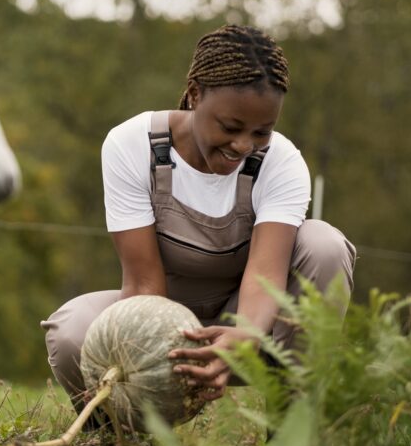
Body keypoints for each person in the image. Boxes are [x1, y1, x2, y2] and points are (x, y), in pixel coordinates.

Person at [43, 25, 356, 409]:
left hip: (253, 327)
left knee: (324, 244)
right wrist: (159, 363)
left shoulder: (282, 162)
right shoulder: (132, 145)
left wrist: (245, 336)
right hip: (160, 316)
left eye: (262, 132)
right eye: (230, 127)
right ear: (194, 94)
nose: (244, 145)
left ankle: (293, 424)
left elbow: (265, 276)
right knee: (71, 331)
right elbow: (143, 286)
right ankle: (117, 430)